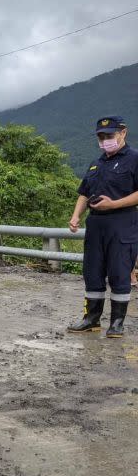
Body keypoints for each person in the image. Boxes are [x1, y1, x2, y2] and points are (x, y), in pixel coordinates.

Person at [68, 116, 138, 338]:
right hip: (96, 224)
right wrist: (75, 215)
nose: (105, 140)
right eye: (101, 136)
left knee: (119, 273)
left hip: (122, 222)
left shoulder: (134, 159)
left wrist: (114, 204)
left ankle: (117, 323)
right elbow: (84, 192)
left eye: (109, 135)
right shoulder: (95, 163)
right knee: (93, 272)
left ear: (123, 133)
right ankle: (91, 319)